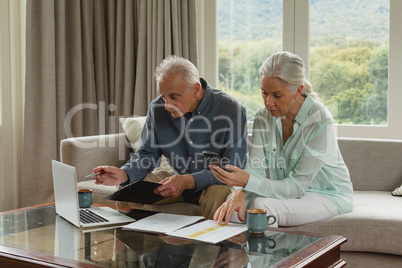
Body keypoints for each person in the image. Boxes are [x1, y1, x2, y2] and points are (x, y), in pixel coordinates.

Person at [93, 55, 248, 219]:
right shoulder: (157, 108)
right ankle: (133, 243)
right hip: (176, 181)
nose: (166, 105)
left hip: (215, 183)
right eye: (163, 95)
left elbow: (232, 167)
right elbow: (146, 155)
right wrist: (124, 174)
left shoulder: (231, 109)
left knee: (215, 196)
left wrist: (188, 181)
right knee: (128, 189)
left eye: (174, 97)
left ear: (195, 89)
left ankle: (215, 245)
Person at [211, 51, 354, 226]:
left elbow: (296, 187)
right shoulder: (262, 117)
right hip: (288, 194)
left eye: (277, 95)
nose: (268, 102)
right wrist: (239, 192)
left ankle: (270, 255)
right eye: (264, 93)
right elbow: (255, 169)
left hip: (328, 195)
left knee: (262, 207)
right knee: (231, 211)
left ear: (298, 90)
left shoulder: (319, 120)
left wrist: (247, 182)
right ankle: (234, 254)